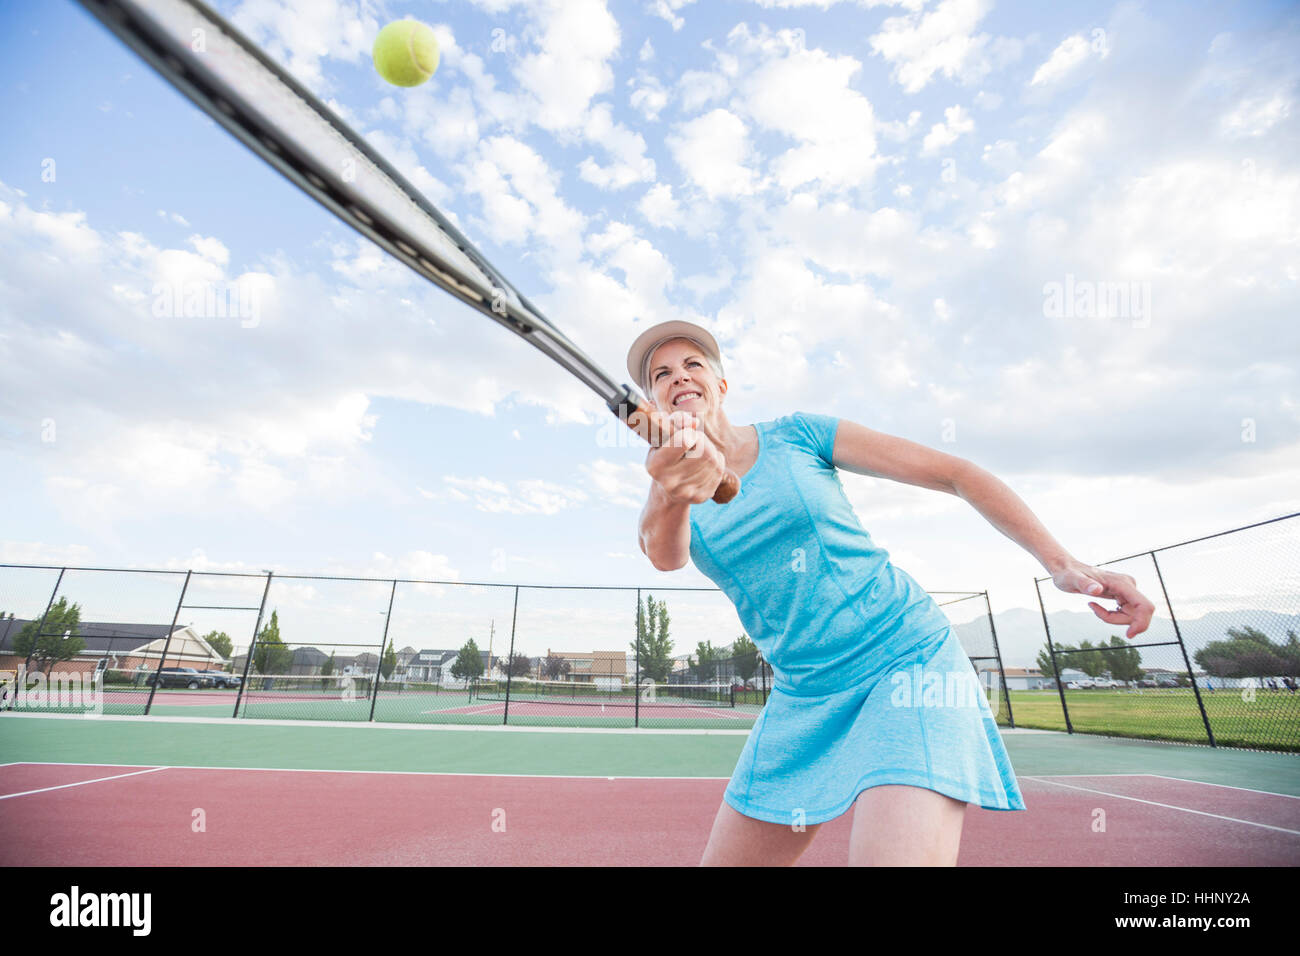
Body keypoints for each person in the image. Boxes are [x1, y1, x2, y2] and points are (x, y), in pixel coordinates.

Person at [629, 321, 1156, 867]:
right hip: (803, 692)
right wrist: (670, 488)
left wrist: (1061, 562)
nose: (679, 377)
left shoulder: (798, 435)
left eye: (692, 364)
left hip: (905, 663)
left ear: (721, 382)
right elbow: (664, 554)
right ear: (652, 402)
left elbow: (955, 472)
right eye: (661, 374)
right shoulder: (666, 484)